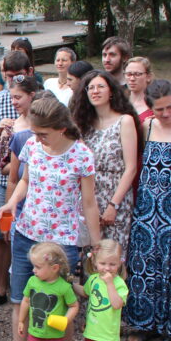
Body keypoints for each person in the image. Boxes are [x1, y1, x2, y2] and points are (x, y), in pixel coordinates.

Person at [0, 95, 101, 341]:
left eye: (43, 133)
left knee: (59, 304)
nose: (38, 138)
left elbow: (90, 203)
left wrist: (96, 245)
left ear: (61, 128)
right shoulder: (32, 145)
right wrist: (12, 203)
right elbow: (26, 181)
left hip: (61, 242)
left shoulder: (82, 155)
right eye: (35, 133)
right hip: (27, 234)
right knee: (20, 298)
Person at [124, 80, 171, 341]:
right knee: (142, 266)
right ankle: (143, 323)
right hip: (146, 208)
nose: (166, 114)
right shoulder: (147, 127)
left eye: (170, 107)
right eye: (159, 109)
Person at [0, 70, 42, 311]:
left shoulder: (38, 124)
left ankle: (29, 287)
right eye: (12, 97)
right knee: (0, 235)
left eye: (19, 97)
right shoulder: (11, 123)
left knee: (24, 238)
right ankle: (0, 288)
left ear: (32, 96)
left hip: (29, 190)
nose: (14, 102)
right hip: (4, 188)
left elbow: (15, 170)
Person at [72, 70, 140, 253]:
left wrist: (113, 205)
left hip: (115, 195)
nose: (95, 91)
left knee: (113, 257)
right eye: (91, 87)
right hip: (89, 197)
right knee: (90, 257)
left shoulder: (124, 121)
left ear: (111, 91)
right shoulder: (83, 124)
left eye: (100, 86)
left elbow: (131, 168)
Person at [124, 56, 154, 121]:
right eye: (128, 74)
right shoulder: (119, 103)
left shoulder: (155, 107)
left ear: (148, 77)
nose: (132, 79)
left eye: (137, 74)